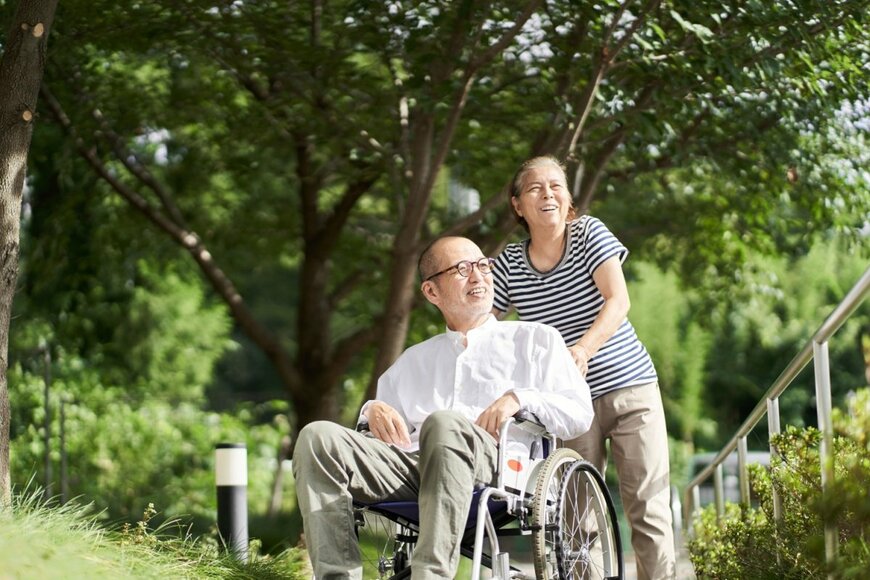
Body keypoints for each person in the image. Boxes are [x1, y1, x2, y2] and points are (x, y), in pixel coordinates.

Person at [292, 236, 594, 580]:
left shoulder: (536, 340)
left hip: (496, 465)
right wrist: (371, 409)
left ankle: (430, 576)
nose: (478, 276)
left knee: (444, 423)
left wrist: (520, 398)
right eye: (462, 270)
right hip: (413, 469)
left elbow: (579, 412)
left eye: (483, 265)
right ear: (432, 292)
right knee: (316, 436)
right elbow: (379, 435)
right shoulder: (412, 360)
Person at [492, 155, 676, 580]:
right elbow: (487, 327)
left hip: (630, 387)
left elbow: (619, 300)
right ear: (518, 205)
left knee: (648, 509)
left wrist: (582, 350)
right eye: (536, 187)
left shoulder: (589, 233)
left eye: (556, 185)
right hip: (568, 403)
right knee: (575, 519)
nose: (548, 193)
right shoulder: (509, 265)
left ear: (568, 196)